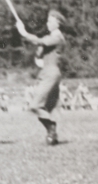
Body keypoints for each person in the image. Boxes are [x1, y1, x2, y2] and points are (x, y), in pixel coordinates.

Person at [15, 9, 66, 144]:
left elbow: (41, 41)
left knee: (35, 105)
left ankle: (51, 130)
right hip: (47, 72)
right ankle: (52, 134)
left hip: (51, 74)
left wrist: (24, 32)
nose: (47, 24)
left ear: (58, 23)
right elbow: (40, 52)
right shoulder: (51, 38)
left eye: (50, 21)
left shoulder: (58, 37)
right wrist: (38, 57)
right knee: (48, 107)